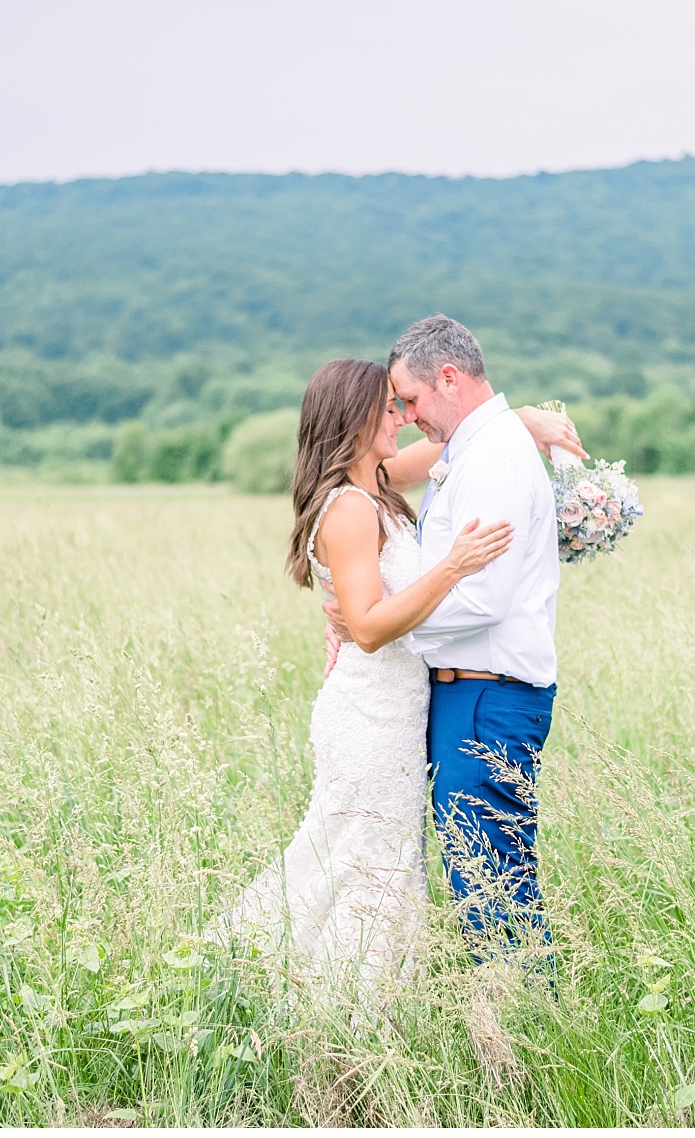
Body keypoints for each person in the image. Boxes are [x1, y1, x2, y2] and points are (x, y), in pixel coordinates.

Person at [210, 354, 580, 993]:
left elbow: (460, 444)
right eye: (388, 410)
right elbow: (373, 628)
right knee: (366, 861)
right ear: (354, 421)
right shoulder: (352, 509)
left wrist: (524, 421)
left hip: (398, 710)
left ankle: (334, 994)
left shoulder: (375, 482)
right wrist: (453, 566)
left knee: (374, 861)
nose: (403, 420)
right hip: (371, 715)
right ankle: (326, 1001)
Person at [327, 315, 569, 962]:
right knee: (483, 879)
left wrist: (376, 622)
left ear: (449, 378)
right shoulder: (474, 449)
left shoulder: (490, 458)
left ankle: (523, 1037)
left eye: (409, 399)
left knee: (493, 890)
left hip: (487, 698)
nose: (406, 415)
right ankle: (515, 1024)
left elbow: (481, 599)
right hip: (469, 695)